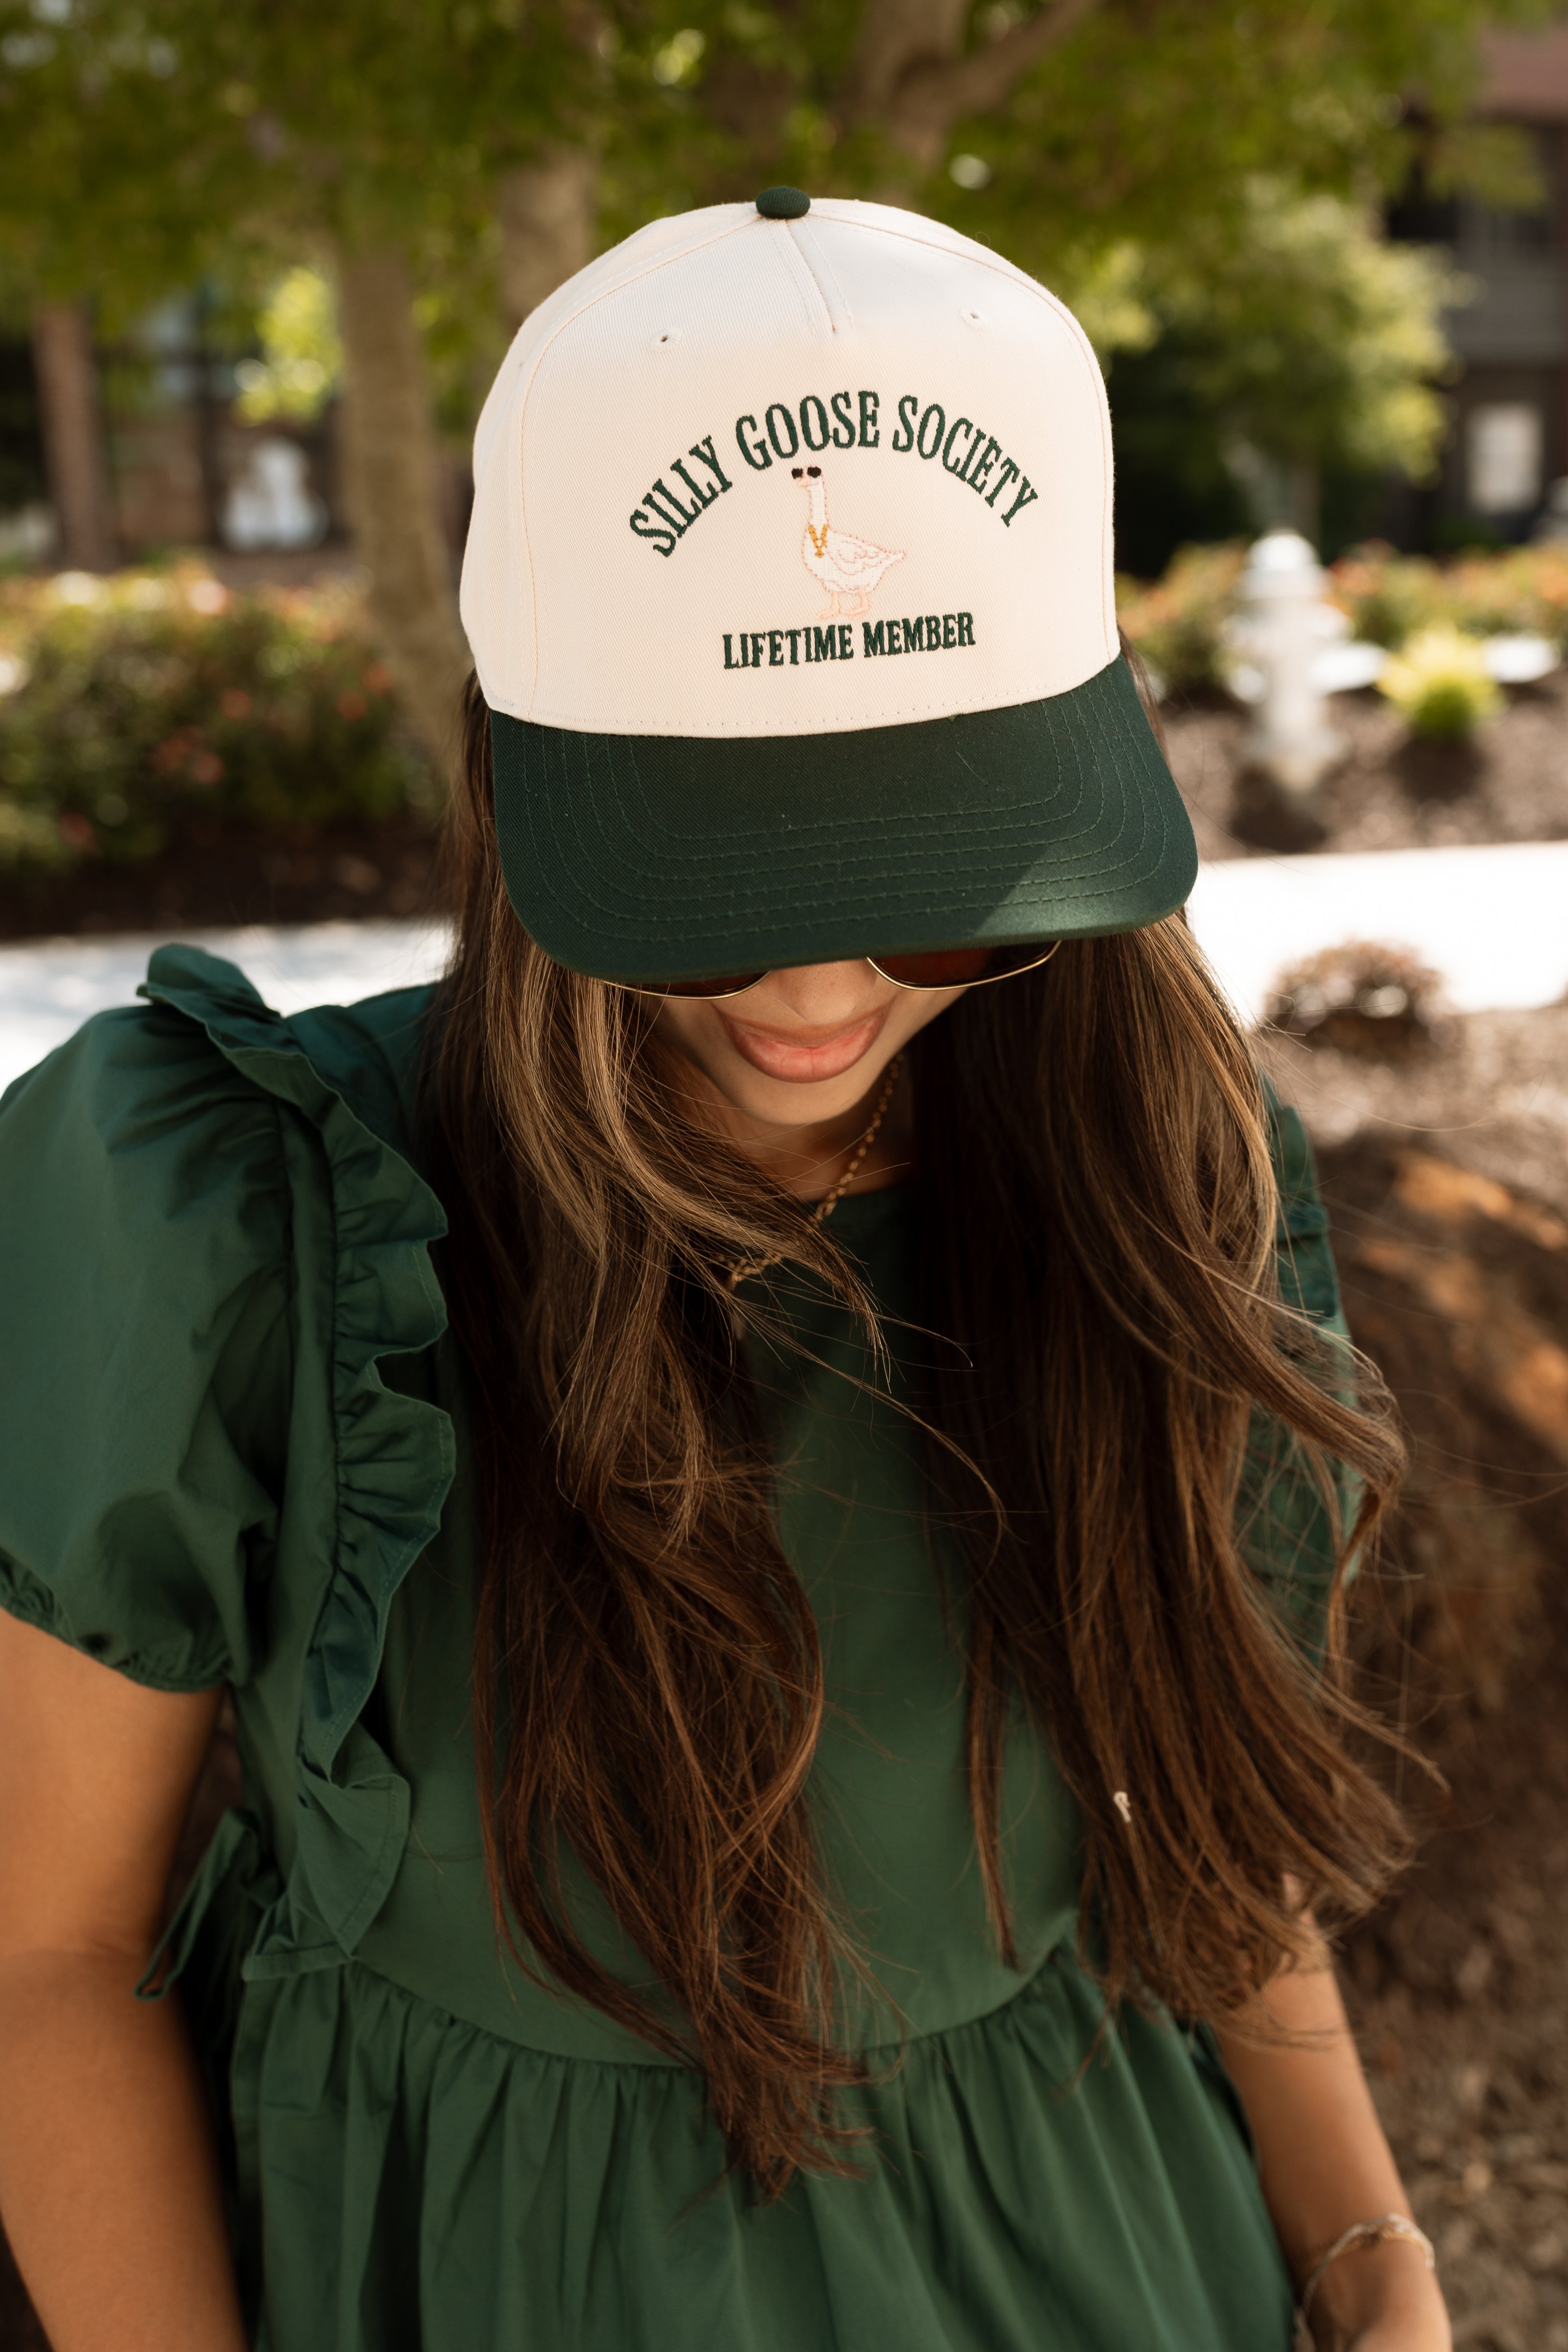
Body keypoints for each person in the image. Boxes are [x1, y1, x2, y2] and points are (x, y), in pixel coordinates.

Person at [0, 190, 1449, 2352]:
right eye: (708, 888)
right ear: (510, 787)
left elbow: (1198, 1824)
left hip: (1093, 2256)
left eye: (941, 894)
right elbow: (46, 1956)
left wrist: (1368, 2255)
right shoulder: (239, 1216)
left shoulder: (1155, 1173)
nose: (818, 992)